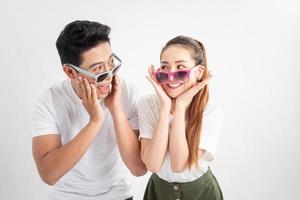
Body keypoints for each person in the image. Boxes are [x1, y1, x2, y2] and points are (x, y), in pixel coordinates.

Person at [32, 20, 146, 200]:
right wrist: (95, 121)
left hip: (118, 195)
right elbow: (48, 175)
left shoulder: (126, 92)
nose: (109, 77)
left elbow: (138, 169)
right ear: (71, 72)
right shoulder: (50, 100)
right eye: (99, 70)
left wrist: (116, 110)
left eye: (112, 64)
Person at [138, 36, 223, 200]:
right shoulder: (148, 104)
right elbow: (153, 164)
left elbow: (179, 165)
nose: (171, 76)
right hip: (158, 192)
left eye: (180, 67)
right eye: (164, 67)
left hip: (201, 193)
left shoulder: (211, 112)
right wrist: (165, 108)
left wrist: (180, 107)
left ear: (198, 72)